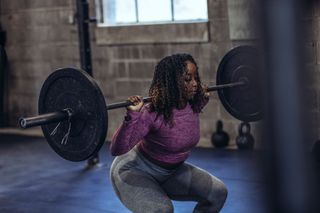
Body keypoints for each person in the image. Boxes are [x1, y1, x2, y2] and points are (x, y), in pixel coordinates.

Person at [109, 53, 228, 213]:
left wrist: (202, 100)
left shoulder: (192, 105)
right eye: (187, 79)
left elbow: (182, 121)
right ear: (172, 82)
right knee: (162, 210)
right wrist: (133, 116)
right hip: (134, 170)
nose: (195, 84)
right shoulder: (152, 112)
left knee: (218, 193)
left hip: (171, 172)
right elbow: (116, 149)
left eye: (195, 77)